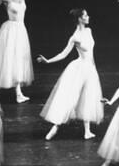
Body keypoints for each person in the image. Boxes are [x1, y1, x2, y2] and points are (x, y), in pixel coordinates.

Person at [37, 9, 103, 140]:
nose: (88, 17)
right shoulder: (75, 37)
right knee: (70, 98)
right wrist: (48, 61)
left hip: (90, 68)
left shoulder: (89, 31)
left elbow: (91, 53)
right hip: (79, 68)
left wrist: (94, 68)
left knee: (88, 97)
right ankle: (55, 127)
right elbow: (63, 54)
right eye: (85, 15)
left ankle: (87, 131)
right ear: (80, 19)